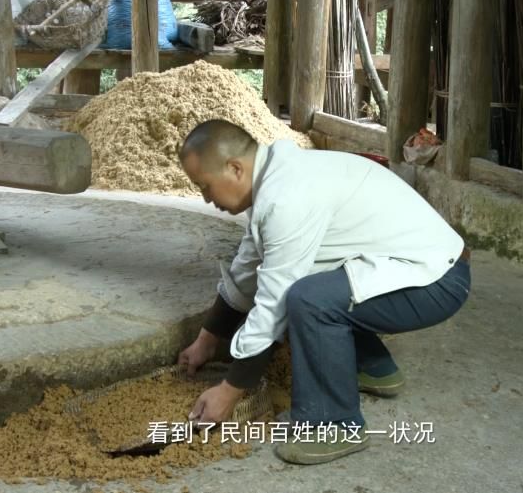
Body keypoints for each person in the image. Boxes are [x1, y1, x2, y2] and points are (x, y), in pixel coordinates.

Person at [176, 119, 471, 465]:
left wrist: (230, 391)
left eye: (205, 186)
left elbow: (273, 305)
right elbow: (247, 271)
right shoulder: (274, 182)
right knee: (313, 283)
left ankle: (334, 425)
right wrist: (207, 340)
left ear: (235, 168)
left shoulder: (286, 198)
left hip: (438, 280)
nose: (206, 198)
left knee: (307, 298)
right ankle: (374, 369)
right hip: (420, 267)